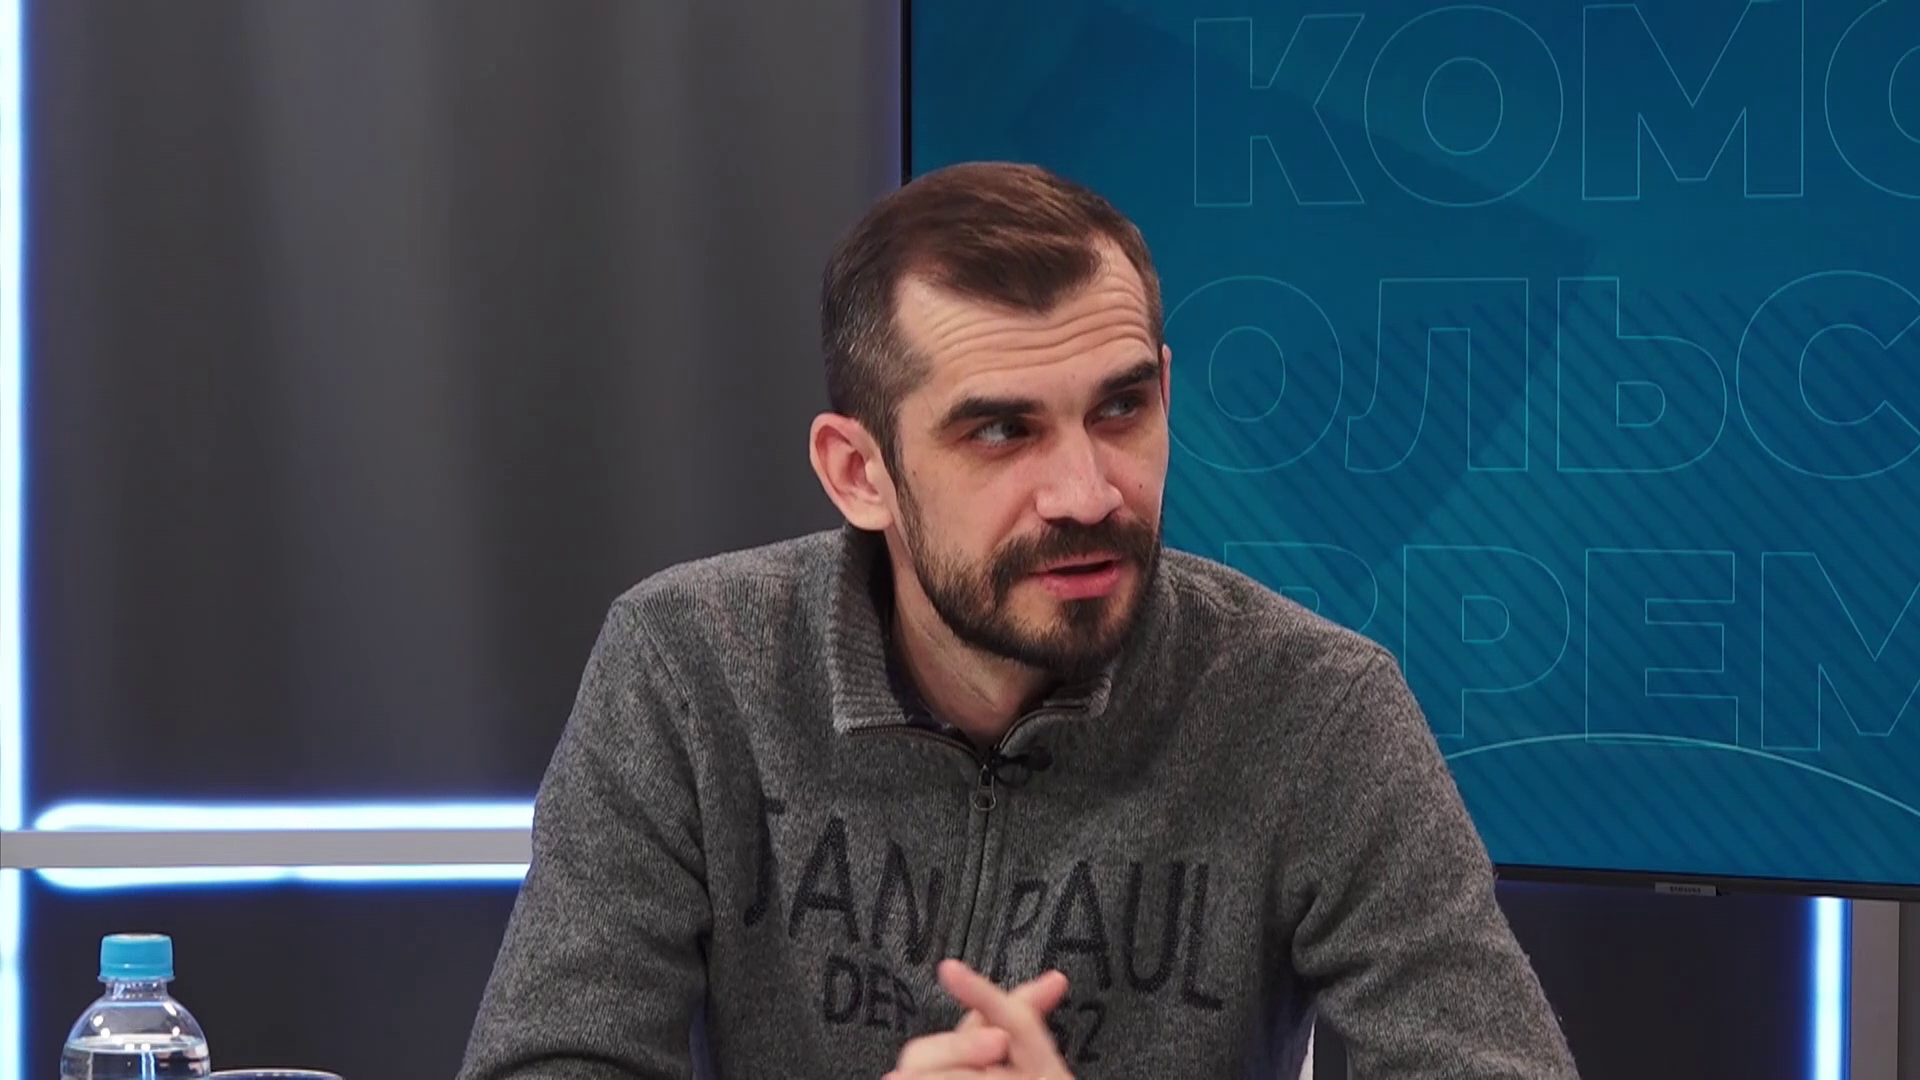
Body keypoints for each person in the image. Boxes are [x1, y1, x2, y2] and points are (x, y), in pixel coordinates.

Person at [457, 161, 1581, 1079]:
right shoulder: (689, 667)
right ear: (859, 472)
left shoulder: (1314, 709)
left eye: (1122, 408)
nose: (1088, 493)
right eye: (1001, 432)